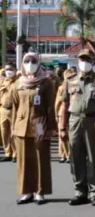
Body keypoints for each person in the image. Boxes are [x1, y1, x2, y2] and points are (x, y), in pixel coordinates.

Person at [59, 49, 95, 206]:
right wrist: (62, 127)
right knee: (76, 157)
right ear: (77, 61)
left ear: (93, 62)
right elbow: (64, 105)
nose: (84, 62)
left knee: (94, 158)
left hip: (93, 121)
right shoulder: (70, 80)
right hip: (74, 121)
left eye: (87, 59)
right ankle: (80, 191)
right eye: (82, 59)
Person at [12, 53, 56, 205]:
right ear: (22, 63)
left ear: (39, 63)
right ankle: (26, 192)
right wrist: (13, 127)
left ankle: (39, 192)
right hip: (21, 126)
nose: (30, 64)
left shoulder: (46, 83)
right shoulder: (18, 83)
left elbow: (50, 107)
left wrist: (51, 127)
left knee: (40, 159)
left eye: (33, 61)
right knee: (24, 161)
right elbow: (15, 107)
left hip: (40, 125)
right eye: (27, 61)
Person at [54, 69, 75, 163]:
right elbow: (58, 103)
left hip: (72, 113)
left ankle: (68, 155)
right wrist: (56, 114)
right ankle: (64, 155)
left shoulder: (75, 86)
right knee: (62, 136)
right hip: (62, 113)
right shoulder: (61, 88)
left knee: (70, 136)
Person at [0, 64, 18, 162]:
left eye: (10, 69)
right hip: (3, 109)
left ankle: (15, 153)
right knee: (4, 132)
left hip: (14, 110)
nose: (8, 71)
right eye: (7, 69)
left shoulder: (18, 82)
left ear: (15, 70)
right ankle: (8, 153)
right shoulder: (3, 81)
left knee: (13, 133)